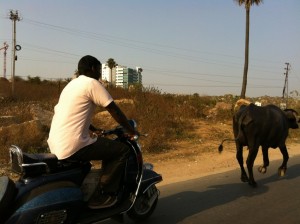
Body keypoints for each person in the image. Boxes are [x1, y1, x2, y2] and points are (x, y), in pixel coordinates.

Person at [47, 55, 137, 209]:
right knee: (121, 150)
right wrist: (132, 130)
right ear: (94, 69)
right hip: (72, 145)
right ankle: (103, 194)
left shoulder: (71, 85)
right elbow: (113, 109)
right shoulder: (92, 83)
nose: (101, 73)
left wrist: (95, 129)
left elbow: (74, 114)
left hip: (55, 144)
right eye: (100, 69)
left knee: (105, 148)